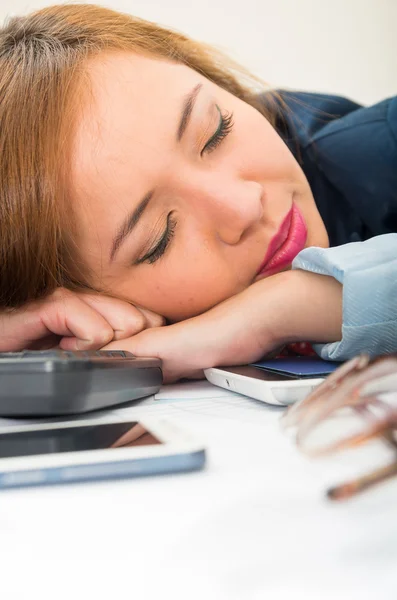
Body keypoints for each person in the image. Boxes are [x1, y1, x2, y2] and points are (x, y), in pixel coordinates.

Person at [0, 3, 396, 382]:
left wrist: (283, 310)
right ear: (91, 304)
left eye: (216, 132)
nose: (243, 205)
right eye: (161, 238)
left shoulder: (380, 144)